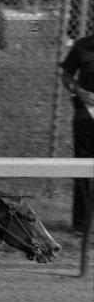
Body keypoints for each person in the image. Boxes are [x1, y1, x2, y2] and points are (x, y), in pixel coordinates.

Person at [59, 34, 94, 234]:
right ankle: (82, 225)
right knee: (82, 169)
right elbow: (66, 75)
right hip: (86, 117)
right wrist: (80, 92)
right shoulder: (82, 46)